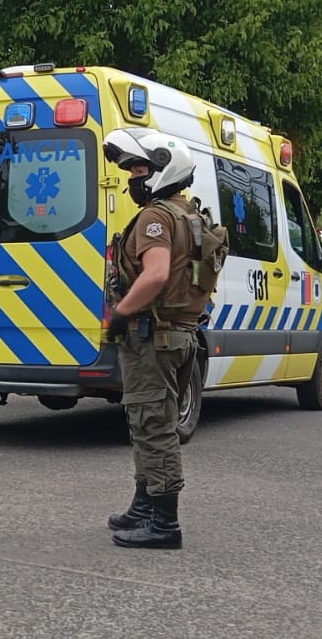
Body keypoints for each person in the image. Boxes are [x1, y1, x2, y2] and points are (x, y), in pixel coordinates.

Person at [101, 128, 209, 550]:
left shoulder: (156, 217)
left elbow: (158, 273)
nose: (132, 178)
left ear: (165, 171)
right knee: (145, 421)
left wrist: (122, 312)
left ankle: (164, 523)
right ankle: (143, 505)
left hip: (154, 336)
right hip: (179, 335)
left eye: (141, 170)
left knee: (154, 426)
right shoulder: (191, 214)